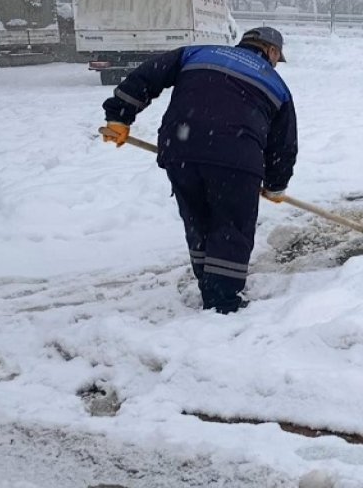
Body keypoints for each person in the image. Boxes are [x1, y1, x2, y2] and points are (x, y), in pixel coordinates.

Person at [100, 27, 298, 314]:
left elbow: (148, 74)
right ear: (272, 51)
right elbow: (284, 144)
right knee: (231, 228)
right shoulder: (276, 84)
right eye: (278, 58)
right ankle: (223, 304)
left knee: (198, 220)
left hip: (180, 149)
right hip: (237, 158)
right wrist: (276, 184)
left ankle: (209, 283)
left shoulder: (196, 53)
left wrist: (119, 116)